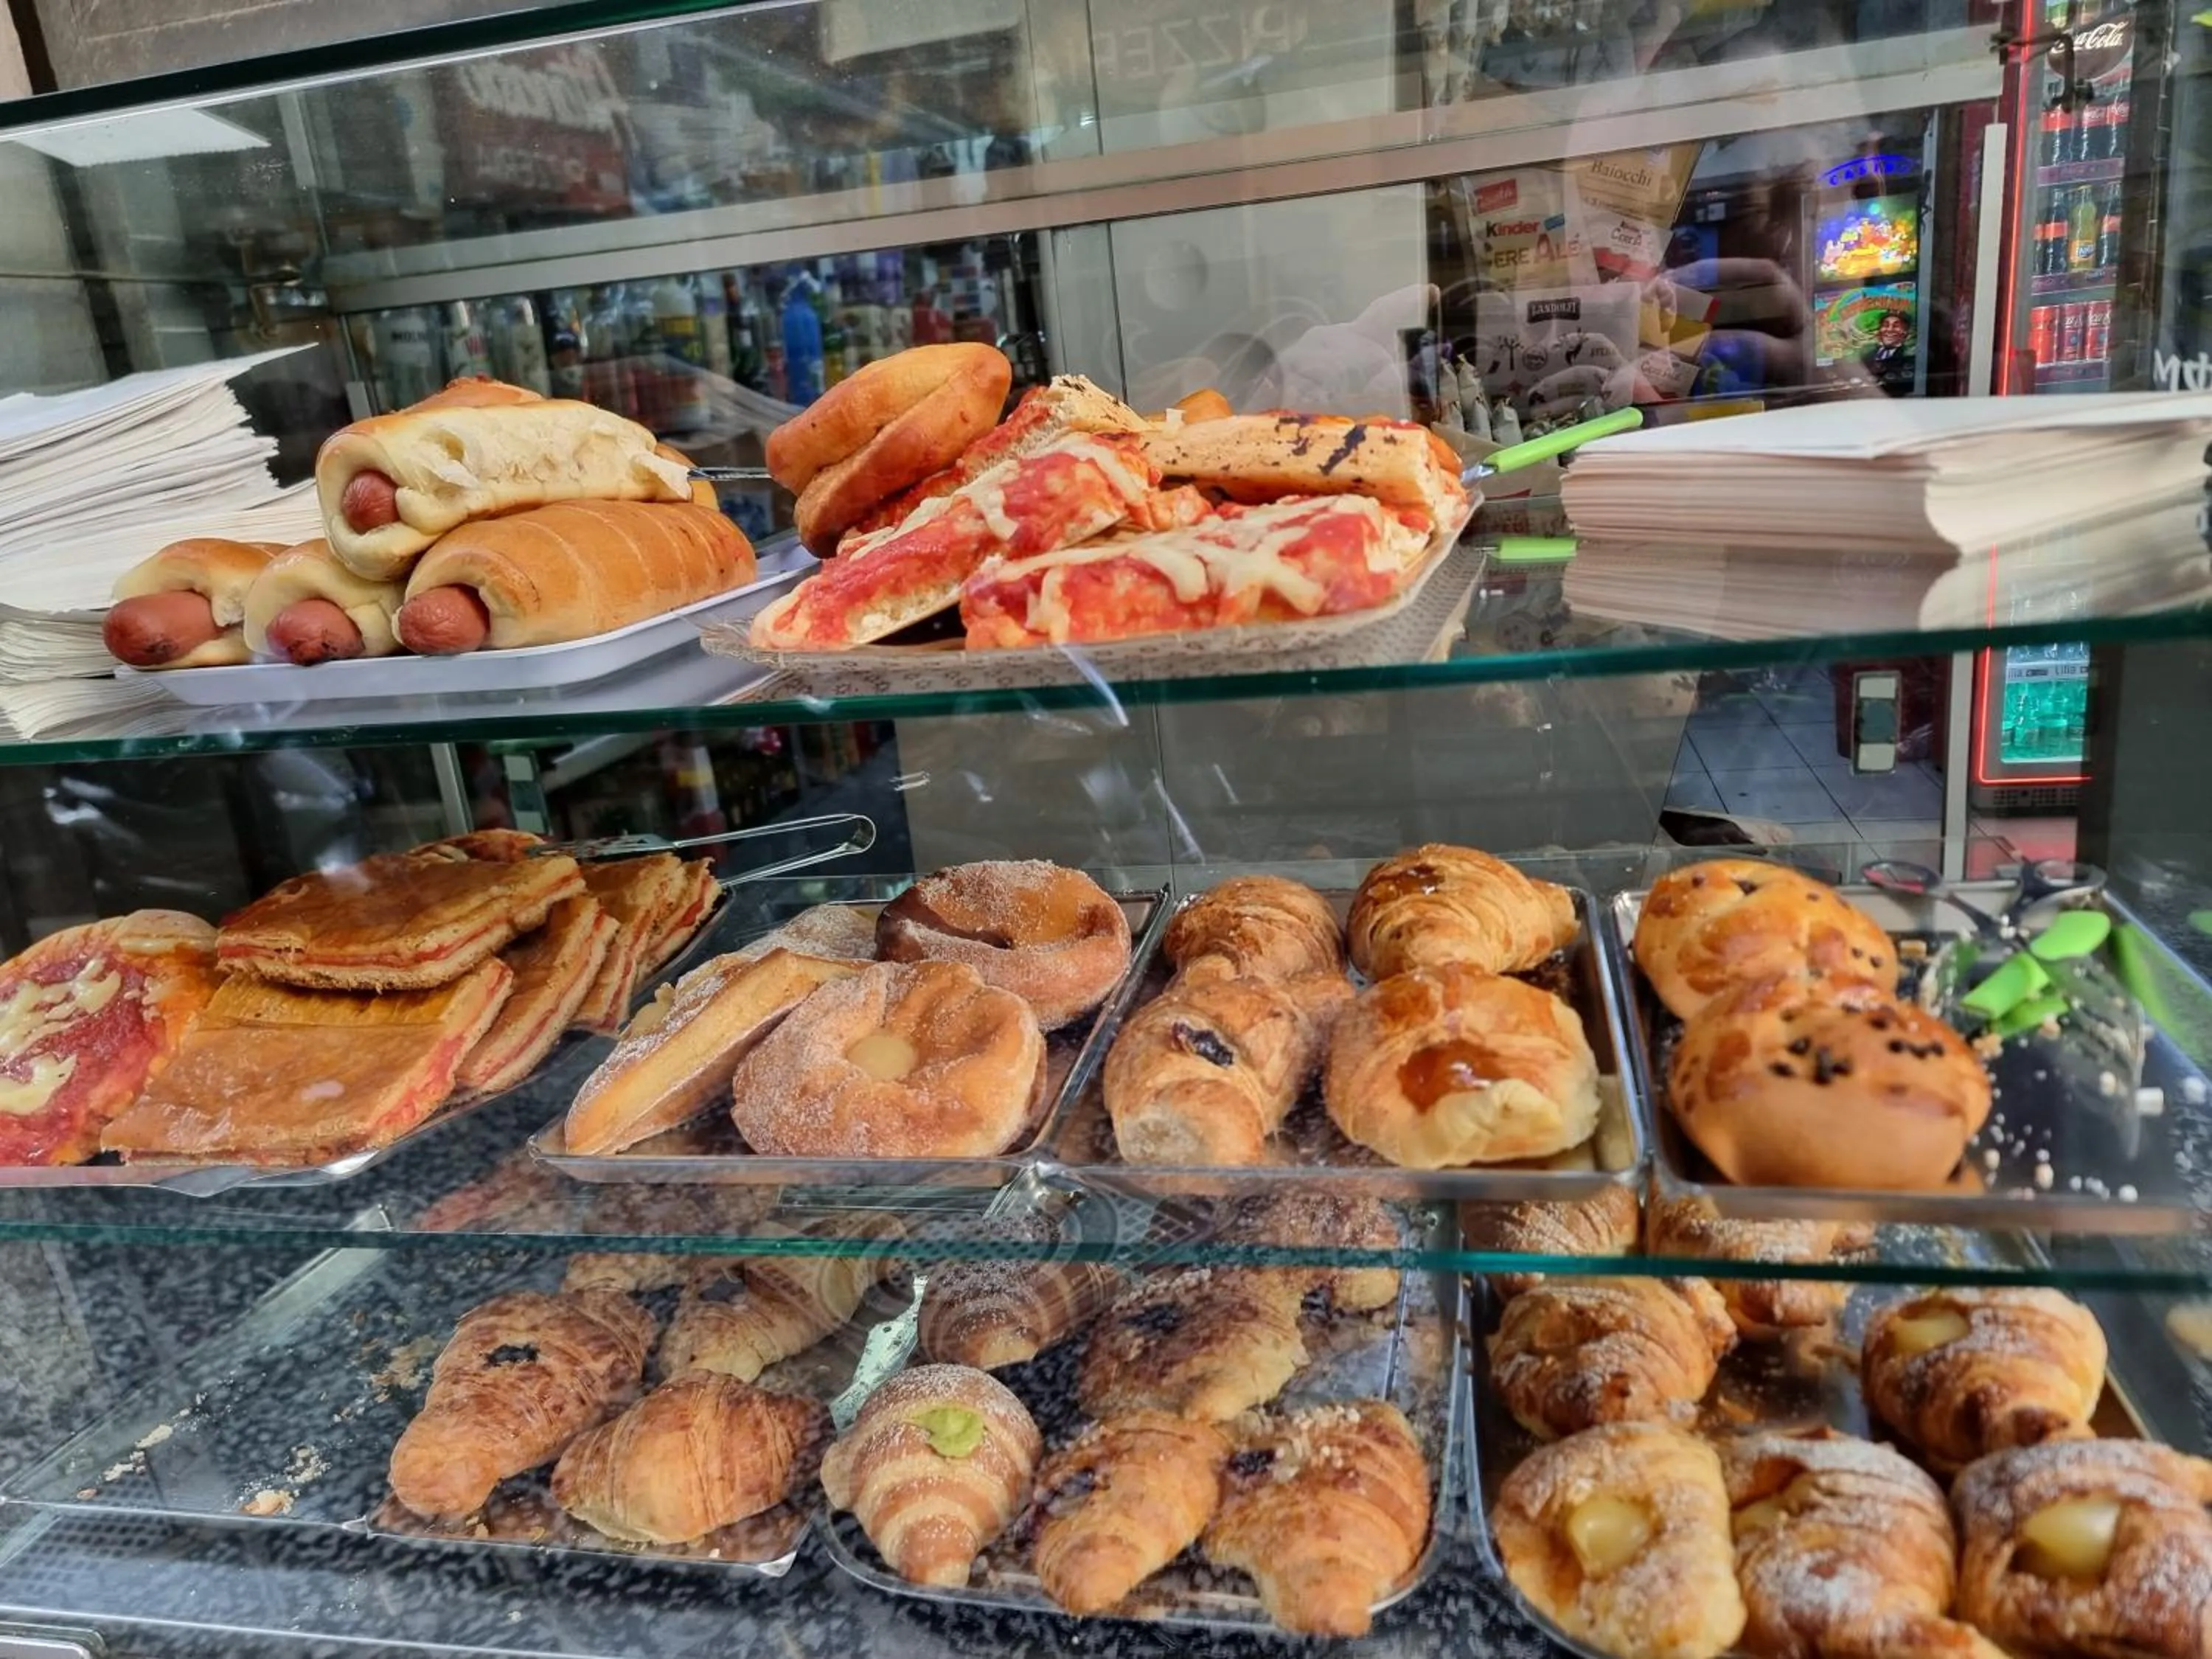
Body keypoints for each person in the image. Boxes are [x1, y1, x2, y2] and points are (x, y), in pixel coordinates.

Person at [1860, 310, 1916, 396]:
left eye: (1896, 326)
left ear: (1906, 333)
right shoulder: (1867, 356)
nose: (1890, 330)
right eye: (1885, 325)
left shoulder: (1910, 357)